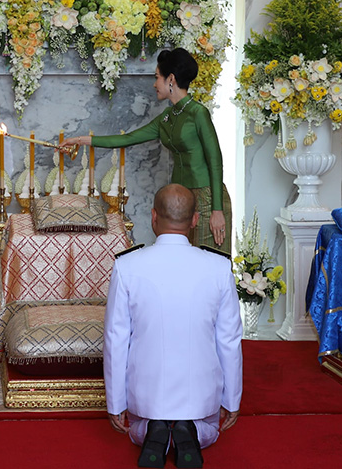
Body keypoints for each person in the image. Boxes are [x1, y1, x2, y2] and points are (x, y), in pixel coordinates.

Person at [103, 184, 242, 468]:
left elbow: (116, 339)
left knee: (136, 429)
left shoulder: (127, 266)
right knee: (210, 429)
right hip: (200, 395)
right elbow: (228, 339)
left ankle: (154, 430)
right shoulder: (218, 267)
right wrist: (232, 399)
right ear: (194, 220)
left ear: (153, 217)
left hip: (146, 395)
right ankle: (189, 430)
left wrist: (115, 404)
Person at [61, 47, 232, 253]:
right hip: (180, 200)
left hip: (207, 200)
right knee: (180, 265)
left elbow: (215, 160)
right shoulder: (167, 118)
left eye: (156, 77)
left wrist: (217, 210)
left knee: (210, 266)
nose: (154, 84)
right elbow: (127, 138)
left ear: (171, 79)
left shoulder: (198, 113)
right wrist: (80, 140)